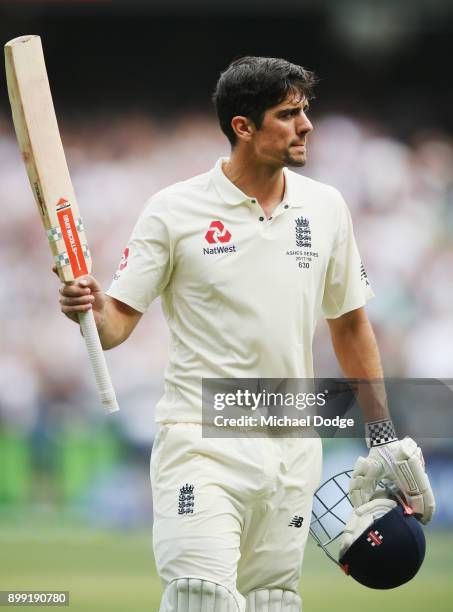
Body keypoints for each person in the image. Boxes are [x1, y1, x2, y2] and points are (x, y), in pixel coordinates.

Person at [57, 57, 434, 611]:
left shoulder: (326, 207)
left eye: (305, 111)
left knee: (271, 601)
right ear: (243, 126)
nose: (306, 125)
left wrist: (380, 434)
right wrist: (86, 307)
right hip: (201, 441)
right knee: (200, 597)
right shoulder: (173, 210)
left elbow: (351, 324)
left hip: (292, 448)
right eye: (287, 114)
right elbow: (115, 325)